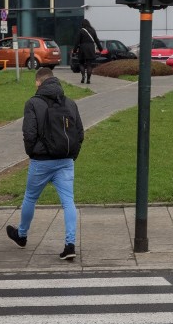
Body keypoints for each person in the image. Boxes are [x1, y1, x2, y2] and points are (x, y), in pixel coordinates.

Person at [6, 67, 84, 260]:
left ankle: (22, 235)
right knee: (68, 202)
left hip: (41, 161)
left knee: (30, 197)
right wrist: (71, 155)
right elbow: (80, 133)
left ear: (38, 82)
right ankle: (70, 244)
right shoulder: (70, 103)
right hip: (65, 161)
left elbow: (29, 133)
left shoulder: (33, 103)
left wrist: (32, 153)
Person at [73, 19, 102, 84]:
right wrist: (100, 49)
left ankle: (83, 76)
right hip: (91, 48)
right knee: (89, 65)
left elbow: (77, 42)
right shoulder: (93, 31)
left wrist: (74, 51)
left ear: (82, 24)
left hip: (83, 48)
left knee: (81, 63)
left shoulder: (81, 31)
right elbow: (97, 40)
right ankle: (88, 79)